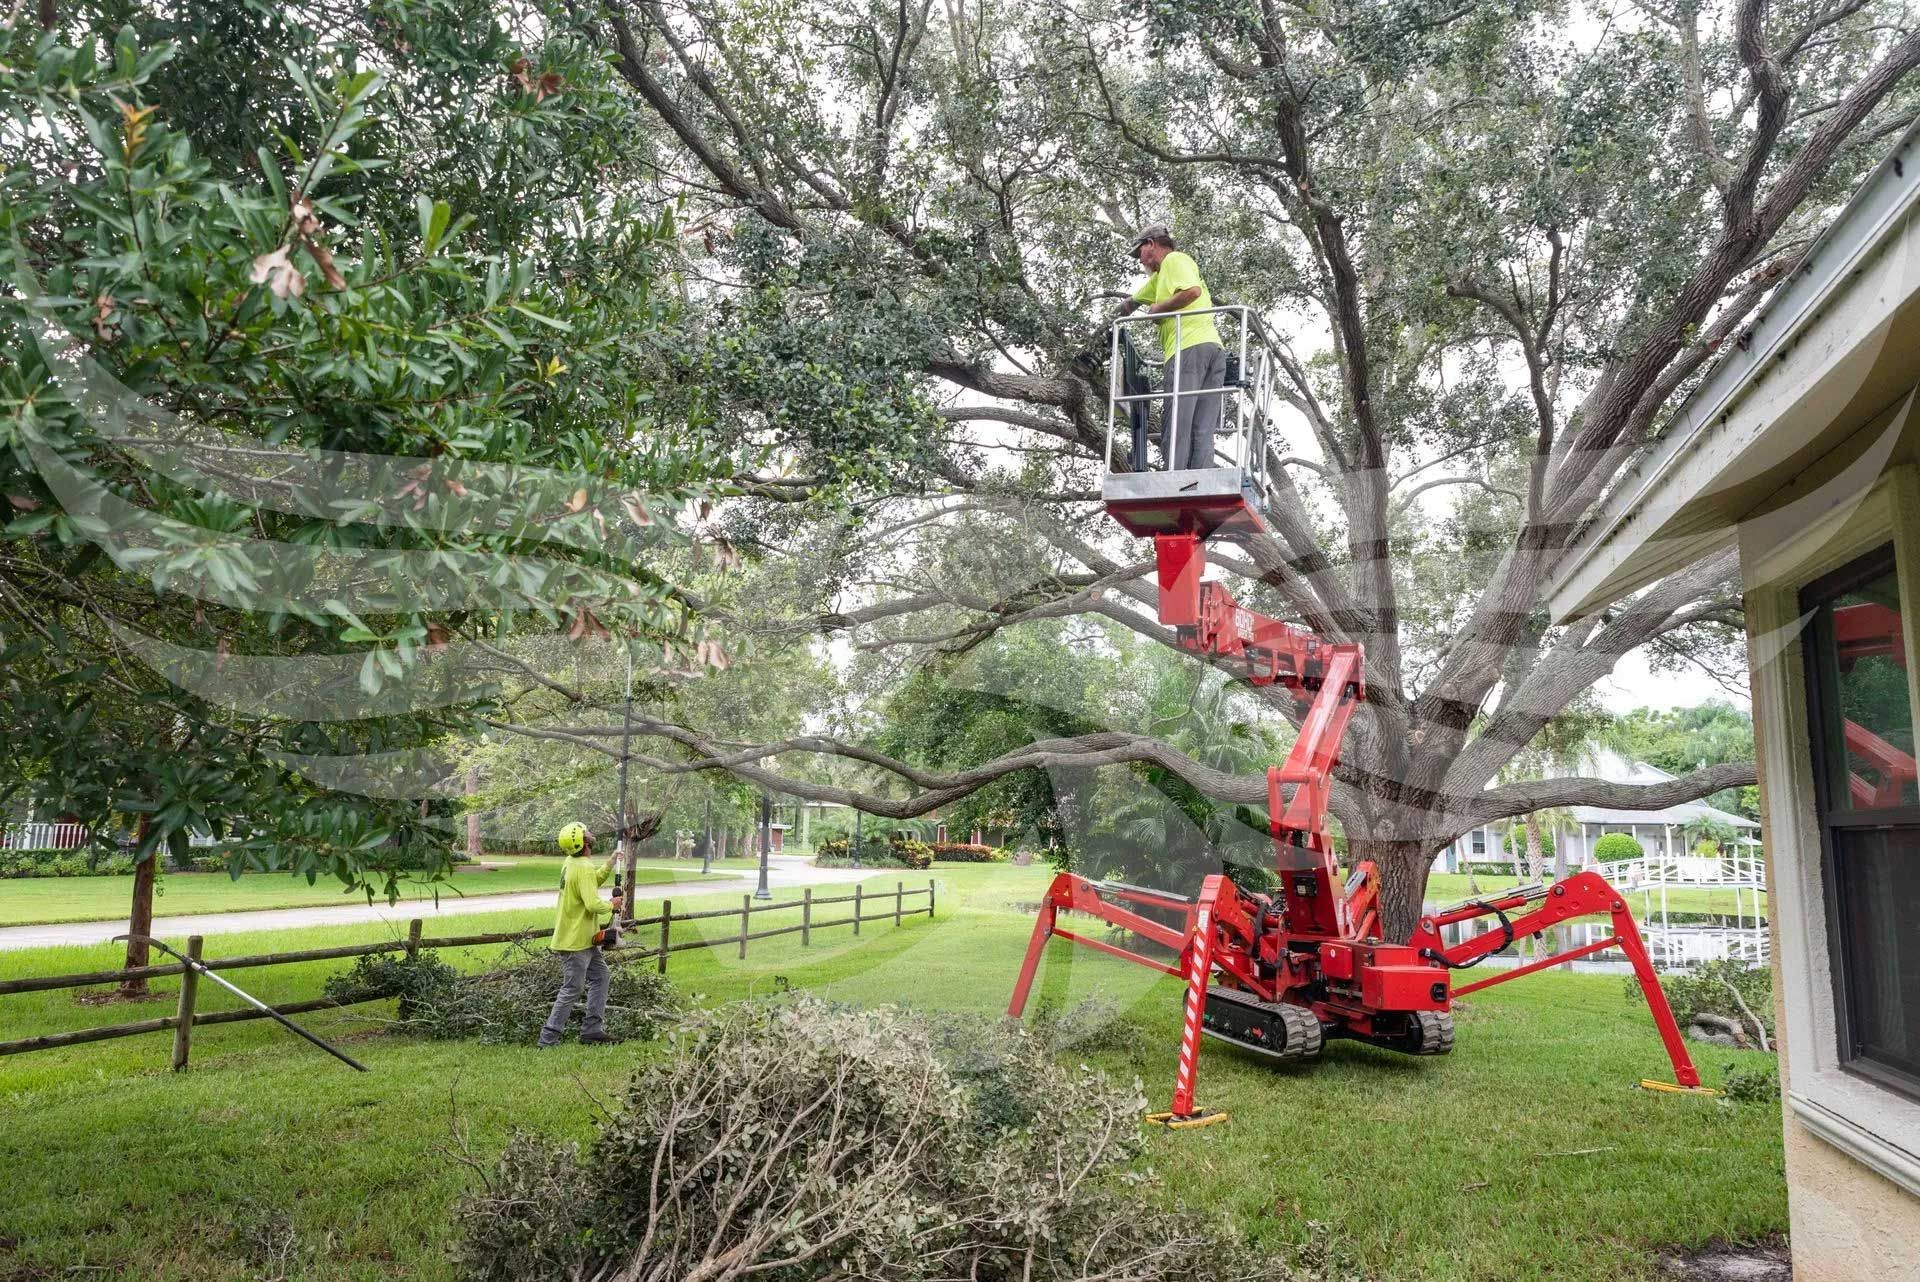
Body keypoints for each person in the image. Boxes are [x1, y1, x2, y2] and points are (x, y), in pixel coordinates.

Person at [1112, 226, 1226, 470]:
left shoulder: (1175, 260)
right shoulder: (1159, 280)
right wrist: (1106, 323)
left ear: (1151, 244)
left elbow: (1192, 292)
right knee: (1202, 426)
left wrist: (1158, 310)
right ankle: (1199, 479)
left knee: (1177, 420)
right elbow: (1130, 303)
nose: (1139, 260)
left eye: (1139, 252)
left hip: (1188, 348)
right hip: (1212, 349)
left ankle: (1173, 477)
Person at [537, 821, 625, 1048]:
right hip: (576, 942)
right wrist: (612, 904)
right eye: (587, 833)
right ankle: (548, 1039)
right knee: (572, 989)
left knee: (601, 977)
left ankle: (592, 1031)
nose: (591, 834)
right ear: (583, 842)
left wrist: (610, 862)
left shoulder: (571, 863)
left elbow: (590, 882)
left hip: (585, 939)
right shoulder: (582, 866)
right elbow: (592, 903)